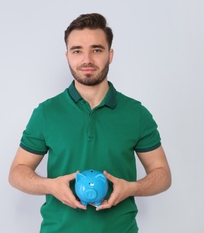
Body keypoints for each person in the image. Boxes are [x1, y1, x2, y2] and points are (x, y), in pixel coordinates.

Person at [9, 13, 171, 233]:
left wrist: (131, 188)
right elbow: (17, 173)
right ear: (67, 56)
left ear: (110, 55)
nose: (87, 59)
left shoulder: (136, 113)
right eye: (77, 51)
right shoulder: (46, 113)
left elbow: (162, 174)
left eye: (96, 50)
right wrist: (51, 186)